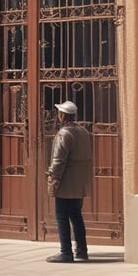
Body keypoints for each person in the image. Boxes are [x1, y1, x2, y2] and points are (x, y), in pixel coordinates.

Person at [45, 100, 93, 263]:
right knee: (76, 216)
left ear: (62, 116)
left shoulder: (64, 133)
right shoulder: (83, 132)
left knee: (62, 216)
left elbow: (59, 160)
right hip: (79, 182)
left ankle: (65, 252)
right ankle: (82, 250)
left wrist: (53, 177)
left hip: (66, 182)